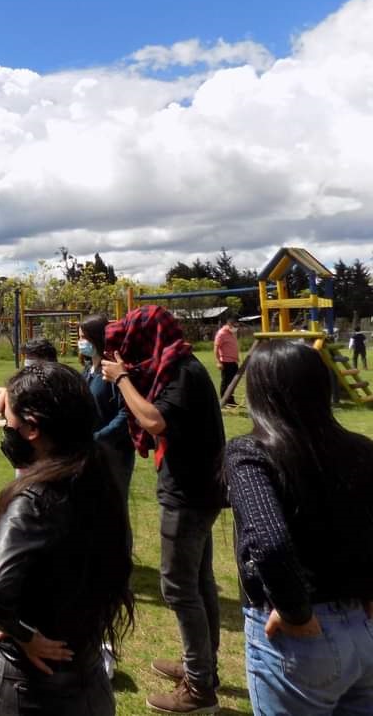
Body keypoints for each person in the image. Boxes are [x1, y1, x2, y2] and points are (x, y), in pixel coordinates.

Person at [0, 361, 134, 716]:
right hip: (87, 670)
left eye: (9, 422)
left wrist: (22, 633)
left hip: (34, 689)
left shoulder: (35, 499)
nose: (6, 429)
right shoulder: (99, 477)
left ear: (31, 429)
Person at [224, 339, 373, 714]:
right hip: (363, 629)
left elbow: (269, 543)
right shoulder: (361, 449)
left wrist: (295, 611)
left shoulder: (250, 453)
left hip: (299, 640)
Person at [101, 306, 225, 713]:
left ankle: (199, 688)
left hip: (188, 495)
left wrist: (120, 379)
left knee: (179, 588)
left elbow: (153, 420)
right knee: (199, 583)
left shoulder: (183, 374)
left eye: (129, 346)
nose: (126, 355)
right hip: (196, 490)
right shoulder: (177, 366)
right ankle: (202, 669)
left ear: (146, 339)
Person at [79, 314, 135, 502]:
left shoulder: (114, 370)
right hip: (90, 452)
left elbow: (126, 412)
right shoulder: (87, 370)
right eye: (79, 338)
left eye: (84, 338)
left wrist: (100, 438)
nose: (80, 343)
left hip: (114, 453)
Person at [0, 338, 58, 417]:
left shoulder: (57, 382)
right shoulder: (26, 378)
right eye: (26, 356)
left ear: (46, 358)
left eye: (31, 357)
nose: (27, 360)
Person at [213, 314, 241, 406]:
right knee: (226, 382)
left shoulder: (232, 333)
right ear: (229, 324)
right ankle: (224, 401)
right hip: (226, 362)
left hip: (233, 362)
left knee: (233, 382)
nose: (236, 328)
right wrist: (218, 362)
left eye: (237, 326)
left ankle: (231, 401)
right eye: (235, 326)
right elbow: (216, 348)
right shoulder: (221, 333)